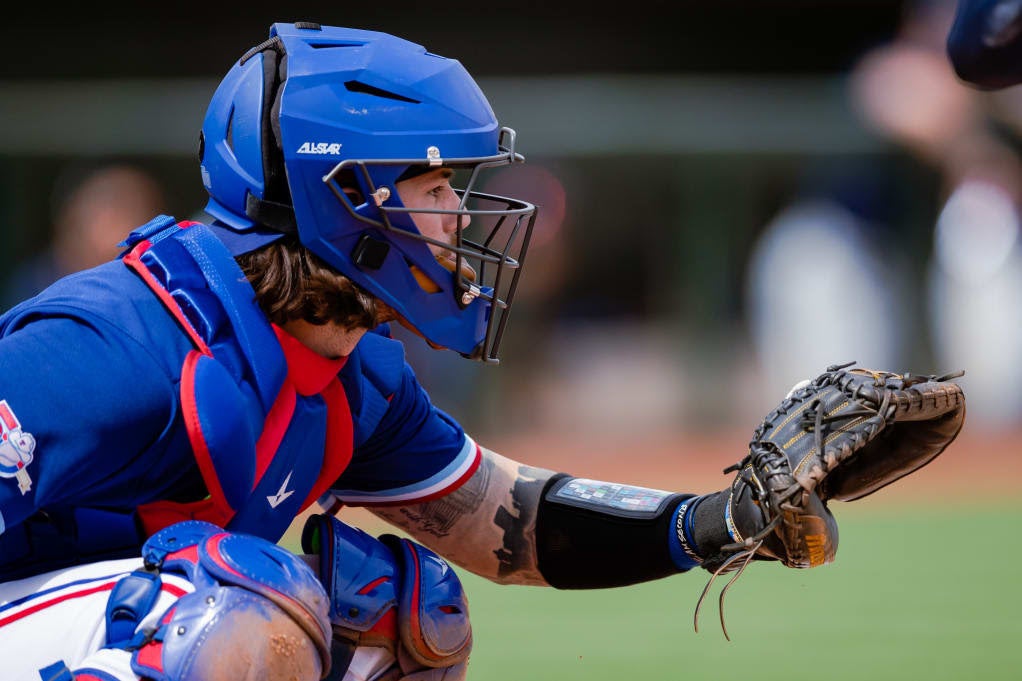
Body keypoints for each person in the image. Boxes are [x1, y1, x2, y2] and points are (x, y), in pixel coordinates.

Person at [0, 22, 891, 681]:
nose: (462, 217)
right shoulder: (110, 346)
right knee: (231, 611)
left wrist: (719, 520)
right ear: (340, 198)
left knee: (403, 615)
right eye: (432, 183)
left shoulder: (347, 376)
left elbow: (511, 526)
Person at [1, 162, 167, 310]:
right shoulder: (29, 290)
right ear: (72, 217)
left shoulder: (162, 286)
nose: (141, 223)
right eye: (119, 206)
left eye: (145, 209)